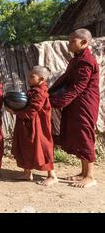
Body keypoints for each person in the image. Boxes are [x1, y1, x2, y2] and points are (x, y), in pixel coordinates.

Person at [49, 28, 100, 188]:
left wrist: (57, 102)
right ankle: (83, 173)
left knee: (85, 135)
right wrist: (48, 93)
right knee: (78, 135)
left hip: (84, 103)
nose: (69, 43)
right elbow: (65, 79)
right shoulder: (77, 59)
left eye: (72, 41)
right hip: (76, 103)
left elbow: (78, 87)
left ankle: (90, 176)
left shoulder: (86, 61)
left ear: (84, 42)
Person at [8, 66, 57, 186]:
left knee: (43, 147)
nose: (28, 79)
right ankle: (27, 173)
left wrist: (14, 112)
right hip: (27, 124)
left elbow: (32, 111)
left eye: (32, 77)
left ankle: (52, 176)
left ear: (41, 79)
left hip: (38, 126)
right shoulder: (33, 90)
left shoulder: (40, 92)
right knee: (25, 147)